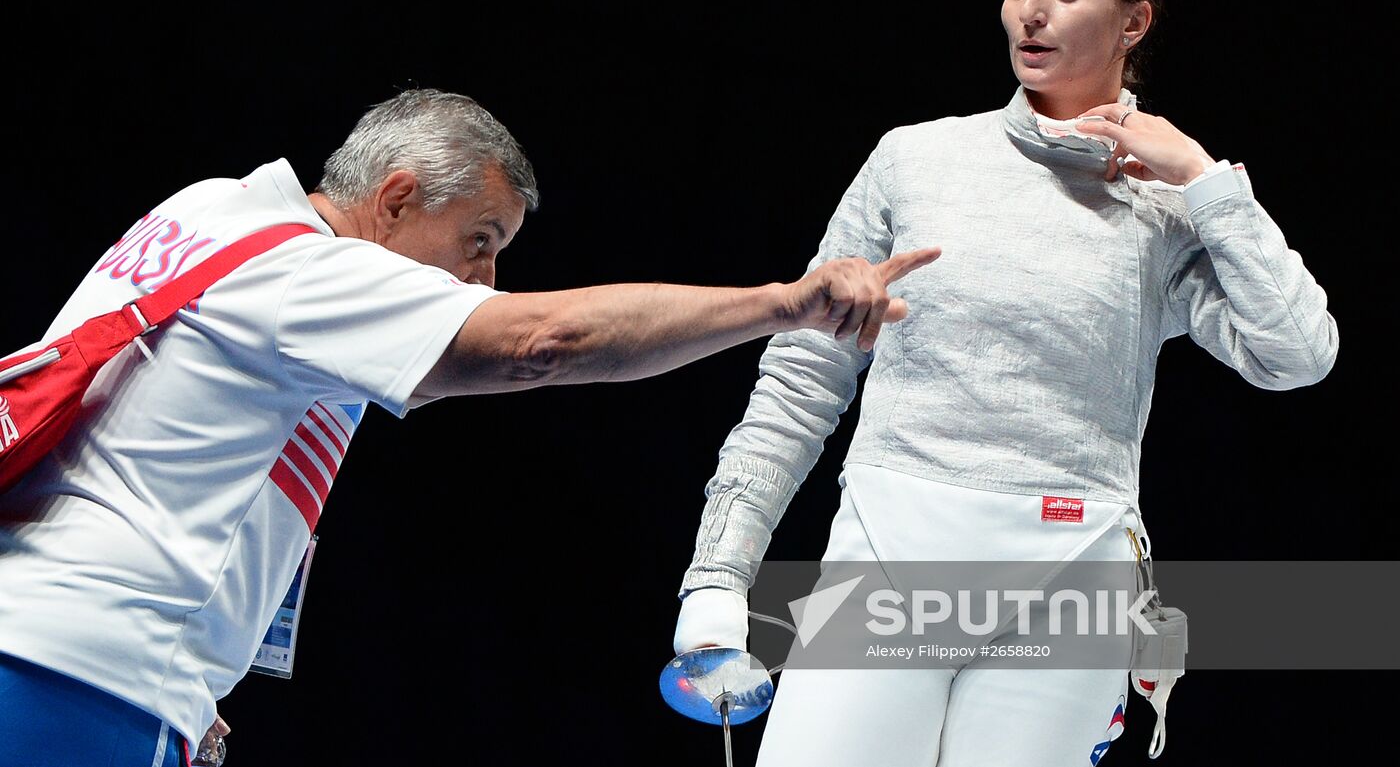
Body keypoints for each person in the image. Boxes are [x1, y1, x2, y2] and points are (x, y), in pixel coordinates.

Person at [0, 88, 937, 767]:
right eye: (478, 242)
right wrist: (781, 303)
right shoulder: (309, 277)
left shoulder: (208, 210)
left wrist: (190, 678)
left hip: (52, 641)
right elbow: (543, 341)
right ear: (397, 197)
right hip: (82, 673)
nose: (480, 281)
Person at [671, 0, 1339, 767]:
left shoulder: (1165, 205)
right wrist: (718, 572)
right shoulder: (916, 160)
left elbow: (1297, 354)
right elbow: (800, 379)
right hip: (890, 554)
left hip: (1074, 573)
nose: (1032, 12)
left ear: (1132, 22)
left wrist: (1207, 181)